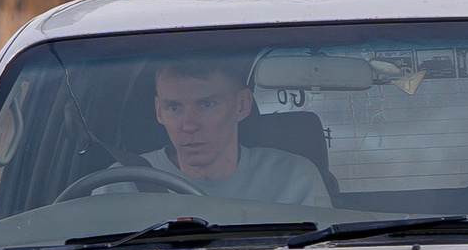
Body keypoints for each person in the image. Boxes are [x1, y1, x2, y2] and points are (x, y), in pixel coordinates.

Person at [133, 56, 327, 206]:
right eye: (174, 107)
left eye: (207, 104)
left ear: (242, 105)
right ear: (159, 111)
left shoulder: (293, 180)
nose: (189, 125)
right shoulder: (127, 183)